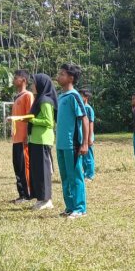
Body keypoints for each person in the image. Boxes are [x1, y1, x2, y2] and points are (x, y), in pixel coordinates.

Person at [55, 63, 90, 218]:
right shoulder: (61, 96)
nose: (58, 76)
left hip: (72, 144)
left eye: (62, 74)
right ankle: (70, 206)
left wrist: (84, 143)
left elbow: (85, 119)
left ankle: (80, 208)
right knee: (65, 176)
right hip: (61, 144)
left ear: (71, 78)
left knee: (75, 175)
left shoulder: (74, 96)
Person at [27, 74, 57, 211]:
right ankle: (40, 198)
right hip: (35, 139)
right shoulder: (39, 99)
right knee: (37, 171)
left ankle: (47, 200)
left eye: (34, 83)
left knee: (44, 171)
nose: (32, 85)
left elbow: (49, 122)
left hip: (43, 140)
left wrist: (31, 120)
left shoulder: (45, 100)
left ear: (41, 85)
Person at [10, 69, 34, 203]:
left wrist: (27, 136)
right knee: (17, 166)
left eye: (16, 77)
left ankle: (27, 194)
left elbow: (30, 117)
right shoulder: (18, 96)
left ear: (23, 80)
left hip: (23, 138)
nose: (14, 80)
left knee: (24, 166)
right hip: (16, 138)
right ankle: (21, 194)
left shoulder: (28, 95)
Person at [80, 88, 96, 181]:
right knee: (83, 157)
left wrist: (90, 138)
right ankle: (85, 173)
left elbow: (91, 123)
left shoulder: (88, 108)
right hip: (81, 136)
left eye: (81, 95)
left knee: (89, 157)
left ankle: (90, 175)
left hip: (88, 137)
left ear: (86, 97)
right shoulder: (80, 108)